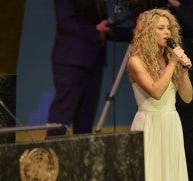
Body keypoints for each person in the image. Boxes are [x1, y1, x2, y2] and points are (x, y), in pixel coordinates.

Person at [127, 8, 193, 181]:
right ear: (148, 31)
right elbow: (156, 92)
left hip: (171, 122)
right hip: (149, 125)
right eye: (161, 28)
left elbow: (187, 98)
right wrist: (173, 63)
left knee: (171, 177)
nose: (167, 33)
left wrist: (183, 69)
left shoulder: (169, 59)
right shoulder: (136, 61)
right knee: (150, 179)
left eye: (169, 28)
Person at [47, 0, 131, 136]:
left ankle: (81, 155)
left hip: (94, 61)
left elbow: (103, 27)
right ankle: (51, 154)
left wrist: (133, 32)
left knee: (85, 119)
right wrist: (95, 31)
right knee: (62, 115)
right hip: (72, 61)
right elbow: (65, 21)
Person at [166, 0, 193, 181]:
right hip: (157, 71)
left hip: (183, 69)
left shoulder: (186, 3)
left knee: (188, 132)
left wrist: (176, 4)